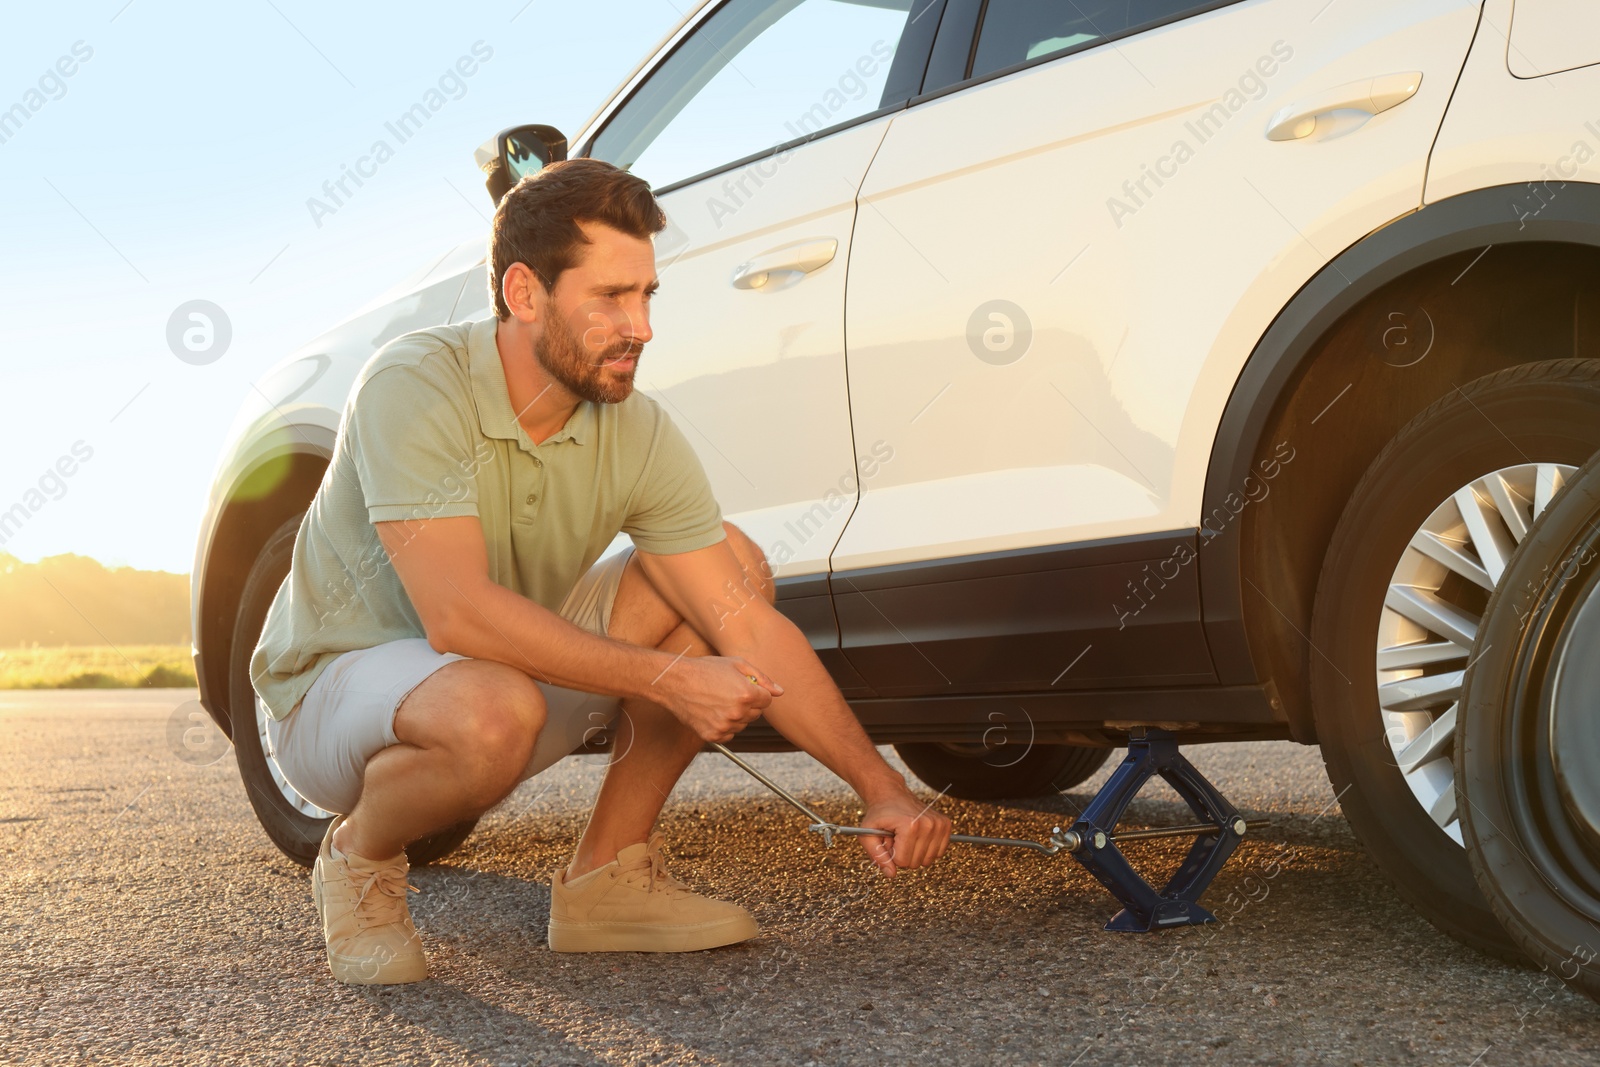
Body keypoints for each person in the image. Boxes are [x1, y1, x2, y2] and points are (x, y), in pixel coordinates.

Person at [249, 157, 954, 985]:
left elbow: (747, 628)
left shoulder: (636, 430)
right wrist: (667, 678)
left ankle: (606, 876)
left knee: (731, 567)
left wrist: (882, 787)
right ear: (524, 294)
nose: (641, 326)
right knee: (491, 710)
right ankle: (359, 856)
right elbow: (458, 618)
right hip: (333, 692)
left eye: (647, 295)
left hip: (494, 675)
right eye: (611, 297)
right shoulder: (415, 384)